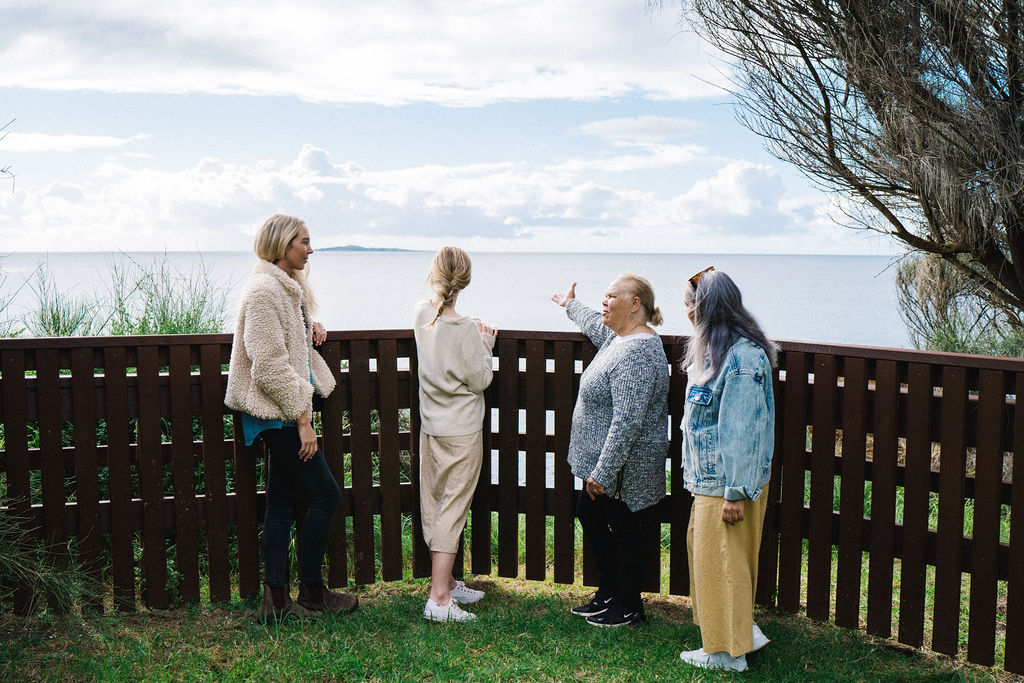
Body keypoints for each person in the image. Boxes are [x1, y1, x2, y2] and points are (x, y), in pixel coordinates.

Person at [225, 213, 358, 621]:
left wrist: (310, 324)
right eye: (304, 241)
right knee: (326, 496)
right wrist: (304, 419)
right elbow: (268, 365)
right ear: (283, 246)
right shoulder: (265, 291)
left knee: (281, 504)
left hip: (283, 412)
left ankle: (277, 601)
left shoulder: (284, 290)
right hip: (277, 414)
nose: (310, 248)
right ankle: (312, 593)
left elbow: (285, 342)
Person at [551, 274, 669, 627]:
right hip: (607, 466)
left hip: (622, 470)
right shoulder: (621, 340)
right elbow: (596, 326)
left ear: (635, 305)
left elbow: (627, 422)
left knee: (626, 532)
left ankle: (630, 607)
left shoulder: (638, 354)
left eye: (611, 296)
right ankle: (610, 593)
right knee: (590, 514)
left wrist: (602, 473)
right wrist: (570, 305)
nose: (604, 301)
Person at [677, 267, 776, 672]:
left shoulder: (740, 359)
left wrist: (735, 492)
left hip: (726, 485)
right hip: (713, 482)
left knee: (722, 565)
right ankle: (736, 634)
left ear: (704, 306)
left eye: (688, 303)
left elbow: (742, 429)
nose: (685, 311)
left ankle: (725, 654)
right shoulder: (720, 351)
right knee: (713, 562)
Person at [414, 246, 497, 623]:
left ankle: (445, 579)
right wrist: (486, 344)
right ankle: (440, 598)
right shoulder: (464, 328)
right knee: (453, 507)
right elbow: (480, 379)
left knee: (435, 503)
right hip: (462, 429)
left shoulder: (421, 314)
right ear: (465, 279)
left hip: (431, 425)